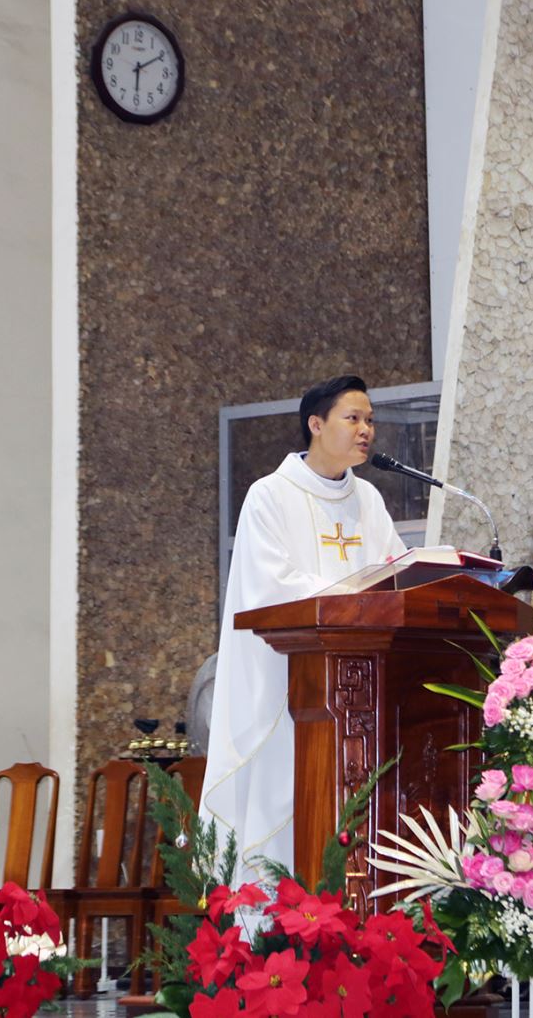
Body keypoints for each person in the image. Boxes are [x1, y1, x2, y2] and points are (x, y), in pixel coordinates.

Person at [199, 375, 407, 881]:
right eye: (353, 418)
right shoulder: (270, 496)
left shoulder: (369, 500)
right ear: (316, 424)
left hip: (360, 691)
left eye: (370, 420)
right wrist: (355, 593)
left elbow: (395, 574)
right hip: (288, 685)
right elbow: (271, 585)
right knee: (285, 803)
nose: (366, 430)